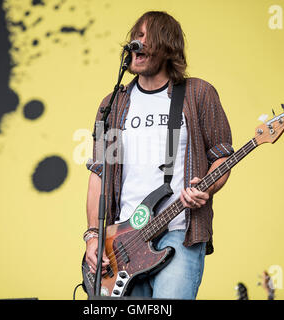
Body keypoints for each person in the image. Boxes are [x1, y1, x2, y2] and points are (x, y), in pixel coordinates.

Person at [84, 11, 234, 299]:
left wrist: (207, 187)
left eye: (145, 37)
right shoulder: (113, 105)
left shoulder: (197, 94)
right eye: (134, 37)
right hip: (123, 242)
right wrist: (93, 236)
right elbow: (98, 174)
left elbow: (222, 155)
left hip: (179, 230)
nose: (136, 43)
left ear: (166, 46)